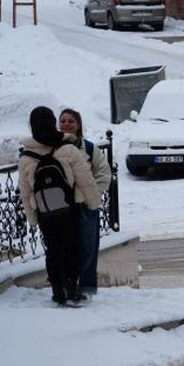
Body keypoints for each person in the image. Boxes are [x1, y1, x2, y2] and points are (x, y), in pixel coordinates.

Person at [18, 106, 101, 305]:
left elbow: (25, 191)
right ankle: (72, 287)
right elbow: (85, 179)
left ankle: (57, 291)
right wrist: (93, 201)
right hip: (69, 207)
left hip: (45, 211)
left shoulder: (26, 156)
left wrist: (32, 217)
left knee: (53, 250)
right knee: (72, 247)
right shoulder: (67, 148)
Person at [59, 108, 112, 297]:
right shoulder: (53, 147)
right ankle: (65, 285)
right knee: (64, 247)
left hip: (85, 205)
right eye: (63, 121)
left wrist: (91, 194)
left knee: (88, 247)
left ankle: (87, 287)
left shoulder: (89, 148)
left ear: (78, 124)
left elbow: (104, 172)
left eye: (70, 121)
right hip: (61, 206)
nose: (66, 124)